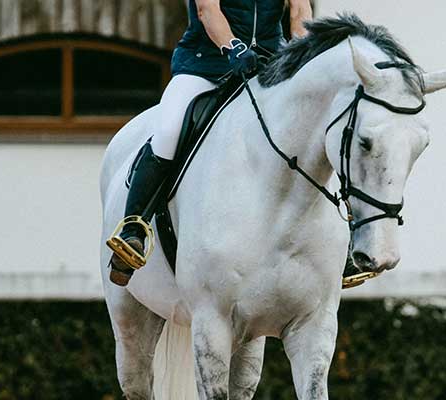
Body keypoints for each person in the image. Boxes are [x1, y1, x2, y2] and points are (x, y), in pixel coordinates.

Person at [108, 0, 313, 286]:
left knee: (314, 129)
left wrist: (301, 54)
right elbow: (207, 10)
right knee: (168, 132)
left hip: (268, 65)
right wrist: (232, 47)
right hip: (206, 64)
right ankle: (134, 227)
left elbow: (300, 12)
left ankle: (341, 240)